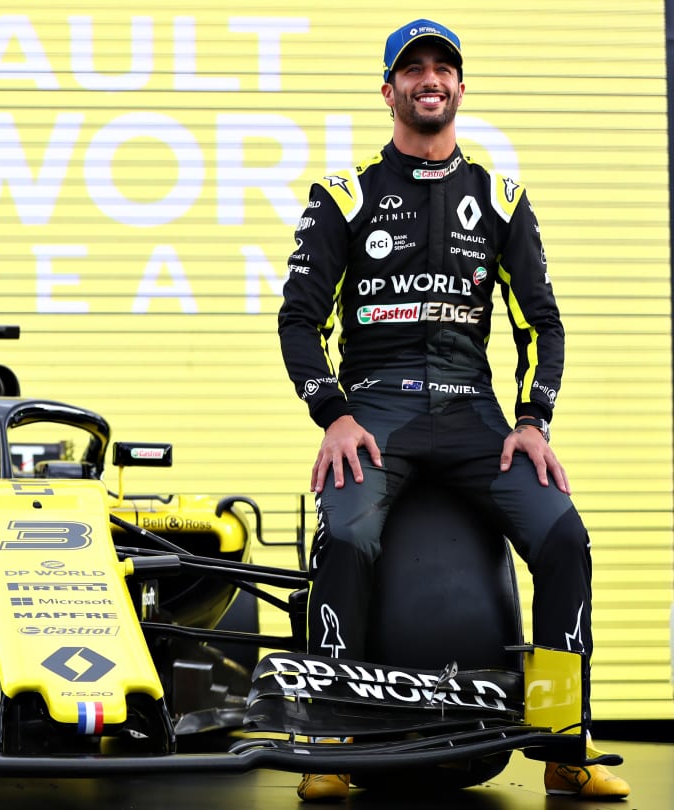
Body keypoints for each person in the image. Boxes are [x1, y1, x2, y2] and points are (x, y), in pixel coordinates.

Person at [276, 19, 630, 803]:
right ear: (389, 91)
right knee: (346, 535)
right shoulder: (344, 193)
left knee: (565, 535)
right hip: (378, 412)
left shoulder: (500, 197)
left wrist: (533, 421)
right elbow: (299, 319)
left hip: (475, 417)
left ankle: (562, 743)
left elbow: (543, 321)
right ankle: (333, 740)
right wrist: (333, 414)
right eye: (413, 70)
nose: (429, 79)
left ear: (461, 88)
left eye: (443, 68)